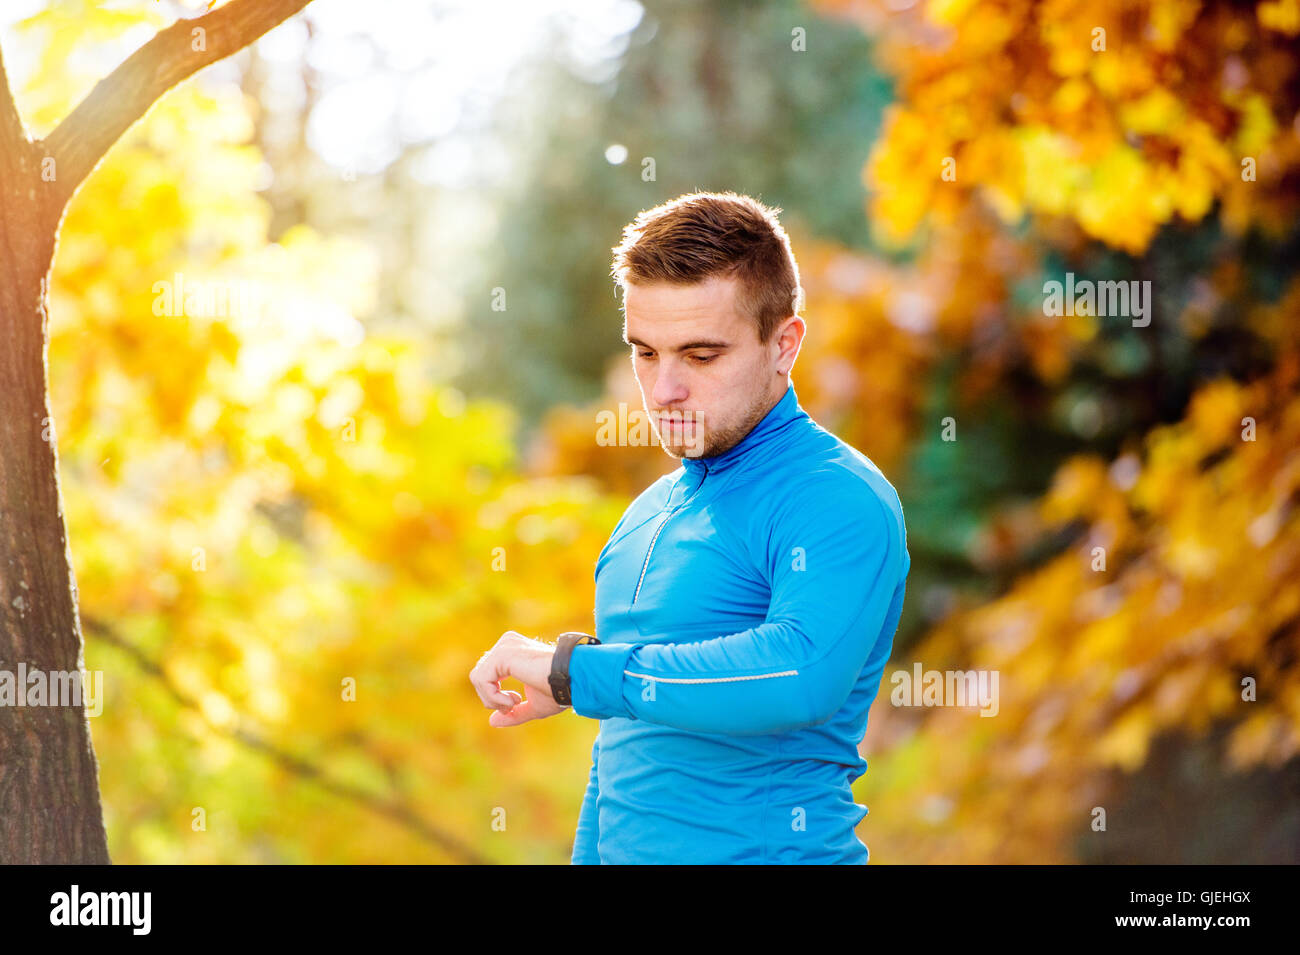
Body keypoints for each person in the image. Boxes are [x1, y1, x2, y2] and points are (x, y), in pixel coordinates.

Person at [468, 191, 910, 864]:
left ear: (783, 344)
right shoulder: (645, 515)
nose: (663, 388)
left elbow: (800, 672)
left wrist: (575, 672)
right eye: (645, 352)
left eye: (701, 356)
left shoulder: (837, 497)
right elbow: (620, 759)